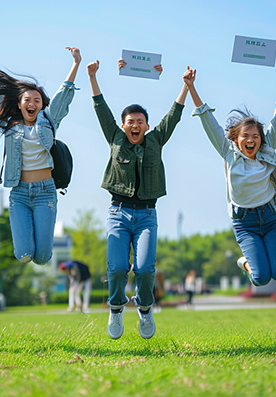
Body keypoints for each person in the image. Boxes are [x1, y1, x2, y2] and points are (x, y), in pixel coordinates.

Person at [86, 59, 189, 340]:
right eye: (130, 122)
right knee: (117, 268)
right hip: (118, 213)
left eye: (139, 122)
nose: (135, 126)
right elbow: (100, 109)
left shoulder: (155, 140)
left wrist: (186, 86)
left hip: (146, 215)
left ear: (146, 125)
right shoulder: (116, 138)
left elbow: (174, 115)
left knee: (145, 270)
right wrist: (93, 76)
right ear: (123, 125)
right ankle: (116, 308)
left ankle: (145, 308)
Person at [184, 57, 276, 287]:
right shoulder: (228, 153)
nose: (250, 140)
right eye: (245, 137)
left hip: (271, 216)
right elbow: (208, 121)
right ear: (236, 140)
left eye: (255, 136)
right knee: (259, 278)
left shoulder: (267, 149)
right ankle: (245, 262)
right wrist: (191, 87)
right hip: (244, 223)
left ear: (261, 139)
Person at [0, 47, 81, 265]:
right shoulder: (9, 125)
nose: (32, 104)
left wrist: (75, 64)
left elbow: (63, 95)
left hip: (45, 192)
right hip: (18, 193)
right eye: (27, 99)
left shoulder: (48, 120)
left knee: (42, 257)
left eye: (37, 100)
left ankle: (44, 253)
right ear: (19, 104)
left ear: (42, 105)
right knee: (24, 254)